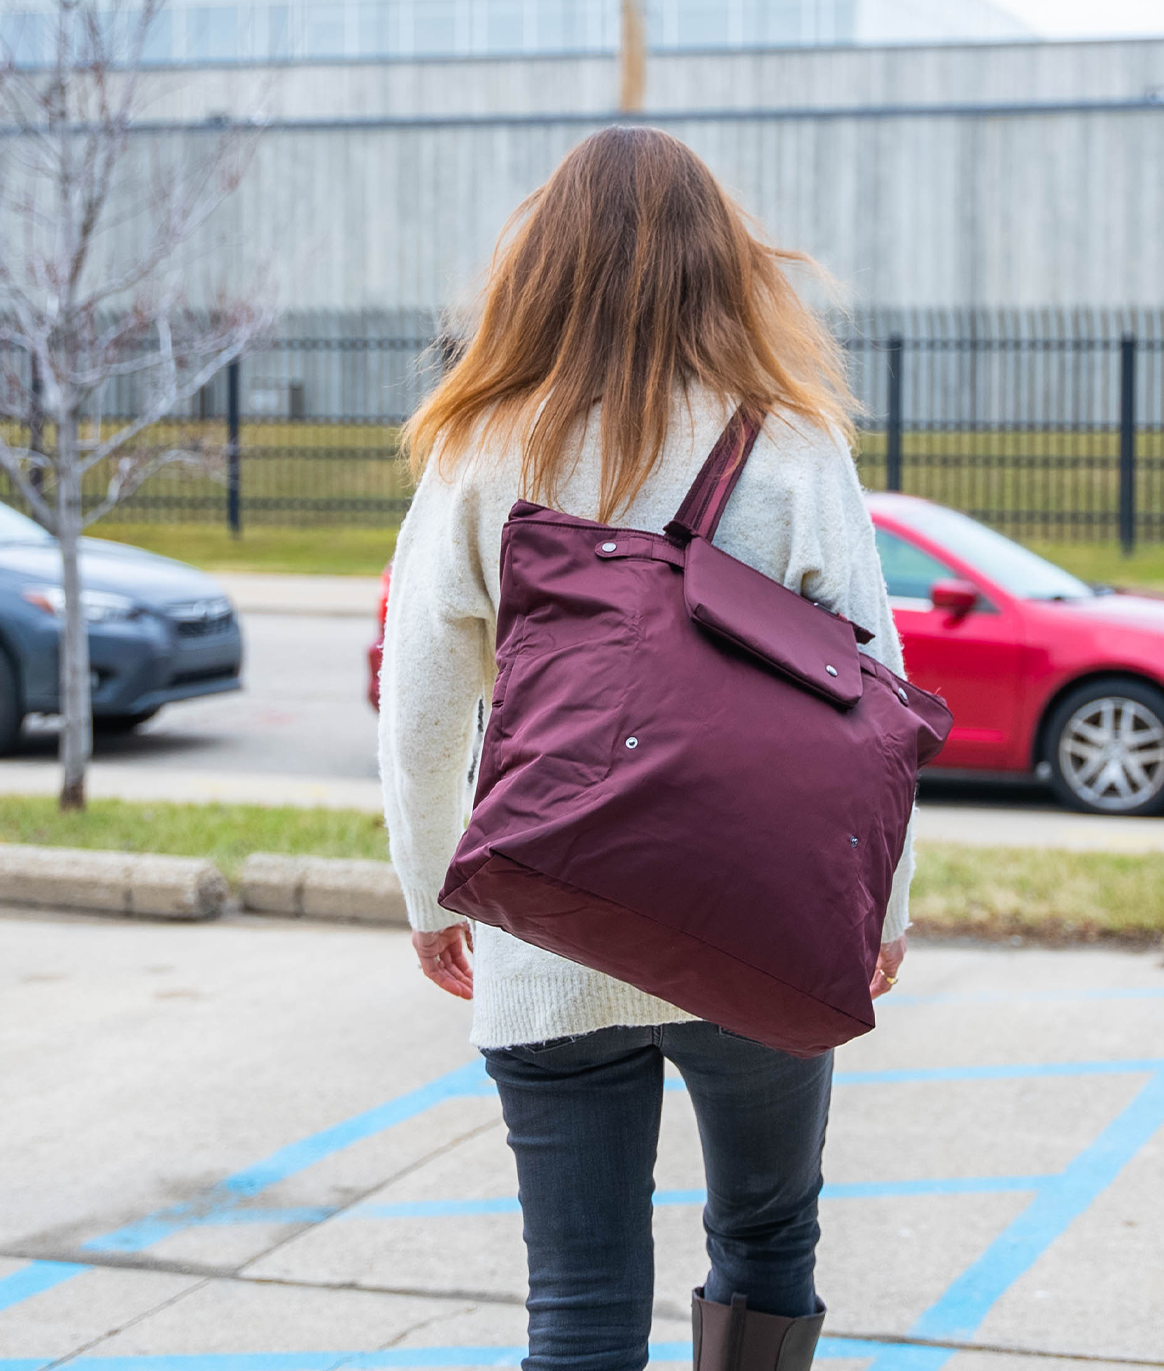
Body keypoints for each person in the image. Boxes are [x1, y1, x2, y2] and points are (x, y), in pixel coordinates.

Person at [377, 125, 913, 1371]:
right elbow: (878, 710)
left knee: (576, 1303)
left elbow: (420, 712)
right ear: (723, 266)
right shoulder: (791, 444)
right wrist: (877, 911)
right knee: (769, 1241)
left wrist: (430, 891)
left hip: (548, 926)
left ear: (539, 265)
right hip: (758, 925)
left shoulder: (479, 448)